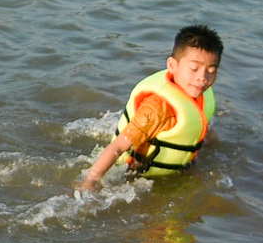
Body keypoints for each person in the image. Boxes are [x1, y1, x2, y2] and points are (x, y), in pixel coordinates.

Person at [77, 24, 223, 190]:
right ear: (172, 66)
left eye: (211, 70)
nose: (202, 77)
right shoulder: (157, 108)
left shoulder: (200, 96)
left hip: (176, 172)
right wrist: (89, 181)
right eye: (194, 69)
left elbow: (201, 129)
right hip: (136, 175)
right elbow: (117, 147)